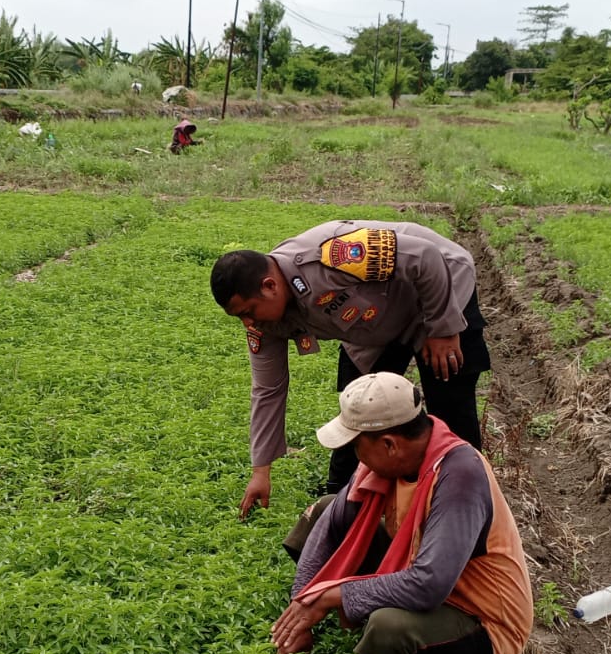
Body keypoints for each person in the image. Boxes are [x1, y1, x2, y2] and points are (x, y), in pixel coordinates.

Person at [271, 372, 533, 654]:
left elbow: (428, 585)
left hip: (480, 620)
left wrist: (332, 596)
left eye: (355, 443)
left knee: (388, 628)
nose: (354, 454)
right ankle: (347, 610)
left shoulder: (459, 475)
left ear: (390, 444)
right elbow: (331, 521)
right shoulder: (384, 464)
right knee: (319, 513)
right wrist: (302, 604)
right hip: (422, 574)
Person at [210, 220, 490, 519]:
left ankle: (468, 502)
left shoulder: (330, 256)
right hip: (375, 322)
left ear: (270, 286)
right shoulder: (264, 322)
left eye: (248, 312)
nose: (248, 323)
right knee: (357, 407)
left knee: (449, 400)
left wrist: (443, 329)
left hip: (439, 289)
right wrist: (260, 471)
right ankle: (340, 501)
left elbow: (425, 257)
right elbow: (268, 390)